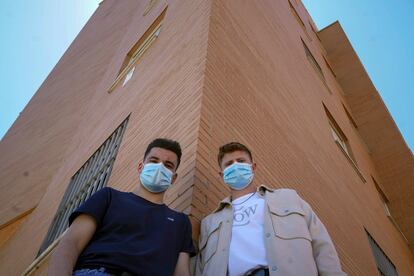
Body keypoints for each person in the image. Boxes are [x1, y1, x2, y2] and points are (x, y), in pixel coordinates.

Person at [48, 138, 195, 276]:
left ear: (173, 178)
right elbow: (71, 243)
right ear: (140, 167)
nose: (159, 167)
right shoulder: (108, 197)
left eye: (168, 165)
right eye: (154, 160)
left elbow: (181, 272)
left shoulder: (180, 222)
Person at [195, 142, 346, 276]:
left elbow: (321, 245)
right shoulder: (210, 223)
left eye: (241, 161)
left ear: (253, 167)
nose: (235, 166)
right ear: (221, 175)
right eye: (229, 164)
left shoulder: (288, 198)